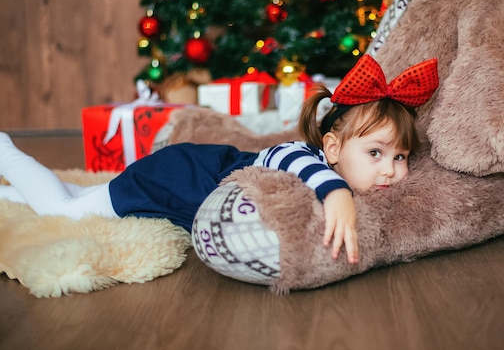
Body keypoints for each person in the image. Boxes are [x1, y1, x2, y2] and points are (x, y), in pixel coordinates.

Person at [0, 54, 438, 265]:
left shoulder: (343, 167)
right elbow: (294, 162)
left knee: (86, 193)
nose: (390, 170)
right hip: (177, 177)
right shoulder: (303, 158)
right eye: (376, 153)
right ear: (333, 149)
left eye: (400, 157)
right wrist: (338, 191)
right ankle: (5, 151)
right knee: (66, 211)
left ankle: (13, 197)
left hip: (186, 183)